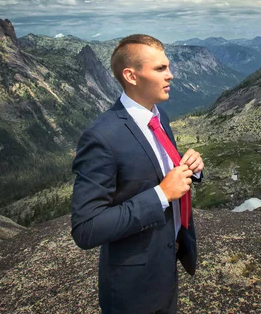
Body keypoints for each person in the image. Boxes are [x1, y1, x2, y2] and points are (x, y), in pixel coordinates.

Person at [70, 34, 203, 313]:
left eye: (168, 67)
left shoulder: (158, 116)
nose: (171, 75)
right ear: (131, 76)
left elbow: (161, 171)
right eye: (160, 69)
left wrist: (191, 169)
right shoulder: (102, 137)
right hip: (133, 290)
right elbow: (86, 228)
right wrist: (161, 195)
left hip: (166, 266)